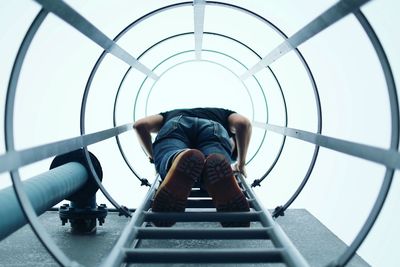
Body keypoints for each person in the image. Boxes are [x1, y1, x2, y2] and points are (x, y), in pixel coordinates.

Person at [133, 107, 252, 227]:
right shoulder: (225, 114)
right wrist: (241, 164)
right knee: (213, 159)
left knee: (171, 154)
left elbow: (140, 125)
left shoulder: (168, 114)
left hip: (176, 123)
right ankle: (207, 172)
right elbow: (243, 123)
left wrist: (154, 158)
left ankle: (175, 160)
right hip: (214, 127)